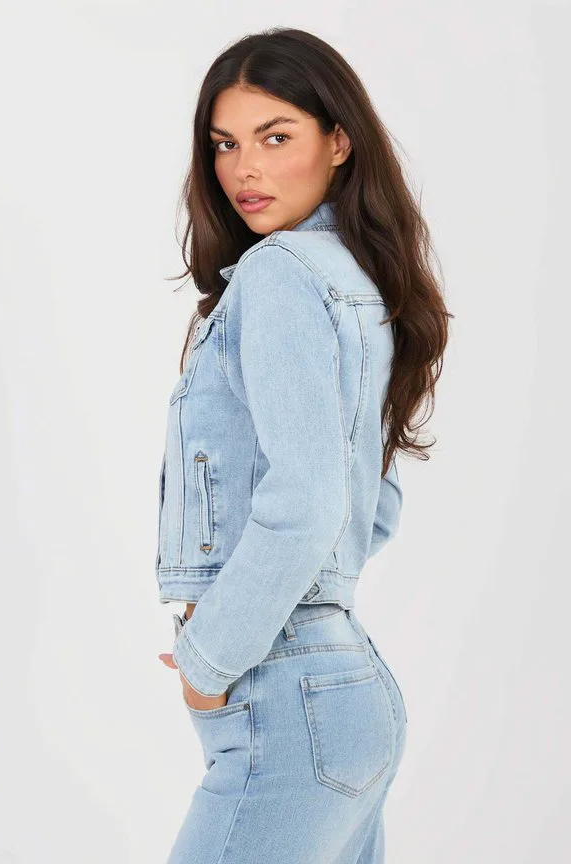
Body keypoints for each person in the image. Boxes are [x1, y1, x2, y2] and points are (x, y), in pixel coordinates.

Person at [156, 26, 451, 864]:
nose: (244, 170)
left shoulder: (281, 273)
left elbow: (313, 504)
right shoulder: (359, 280)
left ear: (339, 141)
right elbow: (370, 505)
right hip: (346, 692)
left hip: (285, 698)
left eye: (275, 137)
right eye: (225, 144)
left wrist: (210, 655)